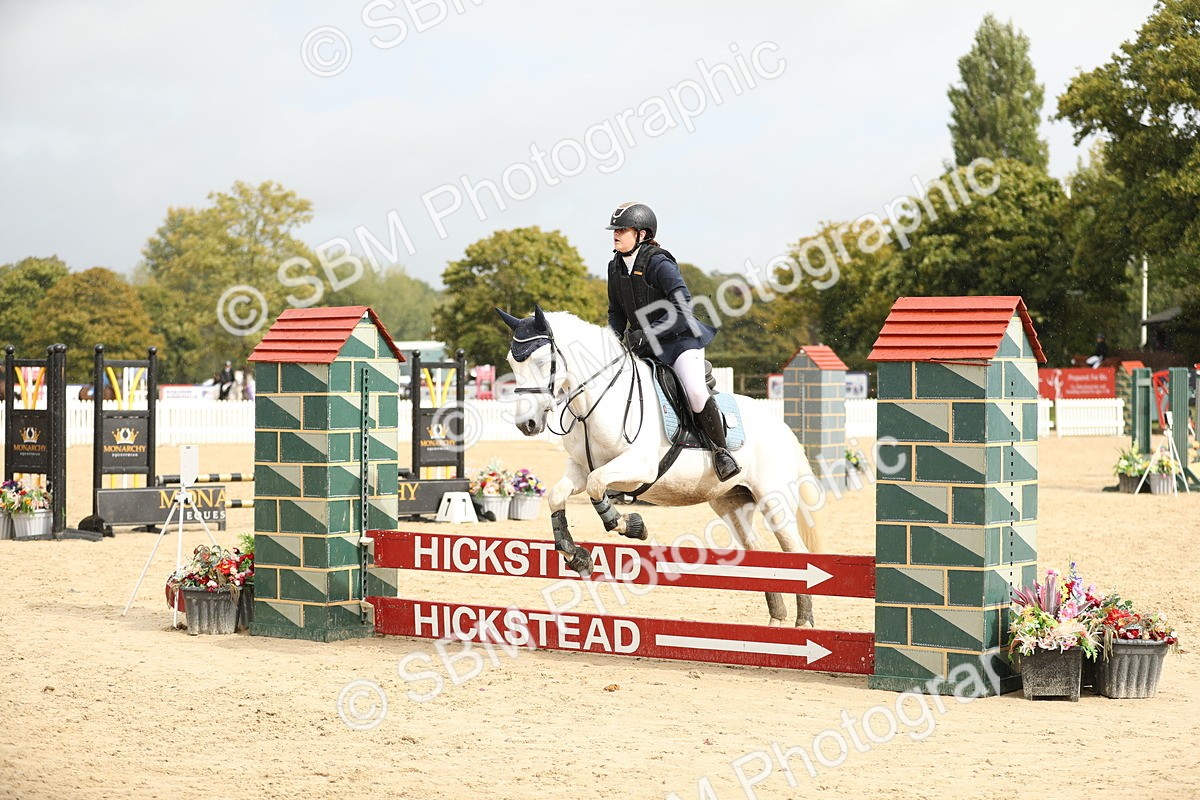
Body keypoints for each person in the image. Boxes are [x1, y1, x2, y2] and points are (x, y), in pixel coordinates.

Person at [604, 201, 740, 481]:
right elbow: (616, 312)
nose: (615, 234)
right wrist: (612, 340)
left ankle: (721, 452)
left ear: (642, 234)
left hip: (680, 341)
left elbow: (682, 308)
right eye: (614, 230)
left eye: (622, 229)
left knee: (695, 392)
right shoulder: (614, 267)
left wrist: (646, 334)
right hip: (645, 346)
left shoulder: (659, 263)